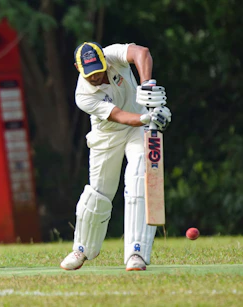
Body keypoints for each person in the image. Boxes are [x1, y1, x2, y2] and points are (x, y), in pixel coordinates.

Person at [60, 42, 172, 271]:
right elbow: (119, 116)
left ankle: (136, 253)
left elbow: (142, 53)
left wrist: (148, 86)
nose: (98, 76)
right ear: (77, 68)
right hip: (107, 135)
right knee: (99, 194)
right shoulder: (83, 95)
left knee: (138, 178)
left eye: (100, 69)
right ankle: (81, 249)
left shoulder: (112, 55)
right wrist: (148, 118)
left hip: (137, 131)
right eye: (91, 74)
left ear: (103, 58)